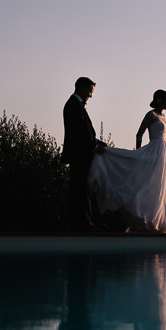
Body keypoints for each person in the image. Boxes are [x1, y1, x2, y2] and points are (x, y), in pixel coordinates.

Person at [88, 90, 166, 233]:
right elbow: (139, 133)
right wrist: (138, 152)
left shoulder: (164, 117)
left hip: (163, 153)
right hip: (153, 150)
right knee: (148, 183)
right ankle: (142, 214)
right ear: (160, 100)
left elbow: (165, 140)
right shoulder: (151, 115)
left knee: (159, 185)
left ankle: (157, 221)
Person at [62, 77, 107, 232]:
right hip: (79, 155)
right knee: (81, 189)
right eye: (89, 91)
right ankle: (83, 224)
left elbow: (83, 131)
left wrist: (96, 141)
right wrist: (94, 145)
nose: (90, 95)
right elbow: (79, 132)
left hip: (80, 154)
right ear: (81, 88)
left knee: (82, 188)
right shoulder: (73, 106)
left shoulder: (75, 105)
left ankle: (80, 223)